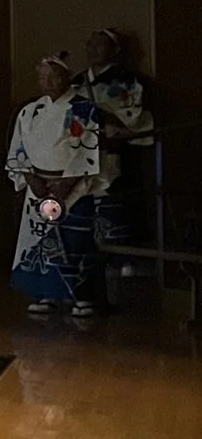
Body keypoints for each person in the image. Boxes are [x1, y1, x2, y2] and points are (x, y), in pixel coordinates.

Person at [9, 53, 107, 318]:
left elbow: (88, 149)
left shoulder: (83, 109)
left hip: (72, 185)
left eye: (53, 76)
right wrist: (31, 178)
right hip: (37, 186)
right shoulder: (30, 111)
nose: (47, 82)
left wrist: (65, 185)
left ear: (66, 77)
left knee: (75, 241)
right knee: (41, 241)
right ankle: (45, 294)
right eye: (42, 77)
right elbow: (19, 148)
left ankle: (82, 297)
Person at [74, 28, 154, 291]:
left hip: (112, 152)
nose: (93, 50)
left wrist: (104, 117)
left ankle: (120, 259)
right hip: (80, 155)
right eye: (90, 44)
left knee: (114, 201)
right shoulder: (76, 82)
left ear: (114, 50)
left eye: (101, 45)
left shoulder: (126, 79)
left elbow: (132, 117)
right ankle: (85, 259)